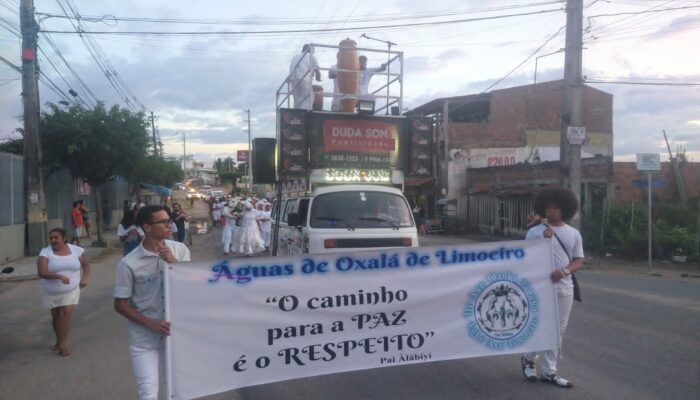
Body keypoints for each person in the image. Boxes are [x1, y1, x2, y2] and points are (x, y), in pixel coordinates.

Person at [113, 205, 190, 400]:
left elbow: (192, 287)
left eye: (169, 220)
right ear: (147, 227)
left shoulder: (179, 250)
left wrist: (174, 264)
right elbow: (120, 303)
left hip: (176, 334)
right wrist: (151, 323)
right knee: (147, 392)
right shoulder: (129, 263)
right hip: (144, 339)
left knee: (176, 389)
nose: (169, 225)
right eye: (163, 222)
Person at [520, 187, 584, 389]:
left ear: (565, 209)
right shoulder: (535, 232)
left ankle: (549, 371)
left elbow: (579, 260)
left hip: (564, 287)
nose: (551, 211)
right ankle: (529, 358)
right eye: (547, 208)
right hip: (540, 287)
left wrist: (564, 272)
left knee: (558, 329)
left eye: (555, 208)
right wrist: (543, 239)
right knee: (540, 325)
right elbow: (525, 258)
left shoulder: (573, 234)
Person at [37, 227, 90, 357]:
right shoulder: (45, 253)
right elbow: (42, 272)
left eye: (56, 237)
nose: (53, 240)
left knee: (65, 313)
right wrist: (58, 276)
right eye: (51, 238)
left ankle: (62, 344)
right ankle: (58, 340)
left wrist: (85, 277)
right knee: (56, 318)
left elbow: (86, 265)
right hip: (51, 291)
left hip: (71, 290)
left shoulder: (76, 250)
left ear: (64, 238)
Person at [289, 44, 321, 110]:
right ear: (311, 50)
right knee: (308, 97)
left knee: (297, 99)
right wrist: (318, 78)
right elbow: (317, 71)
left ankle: (298, 114)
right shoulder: (311, 56)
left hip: (293, 78)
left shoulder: (295, 56)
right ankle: (307, 113)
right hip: (303, 78)